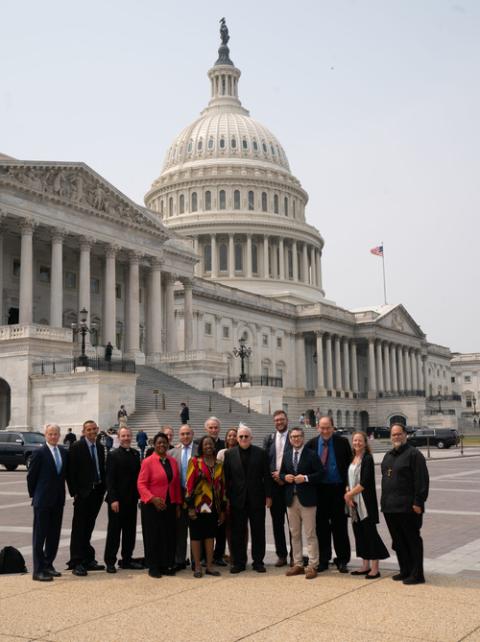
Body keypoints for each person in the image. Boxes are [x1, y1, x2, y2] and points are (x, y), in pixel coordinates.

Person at [381, 423, 429, 585]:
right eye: (393, 434)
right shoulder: (388, 456)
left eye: (399, 434)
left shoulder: (414, 455)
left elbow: (421, 480)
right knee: (399, 541)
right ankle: (405, 570)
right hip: (390, 508)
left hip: (409, 507)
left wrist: (418, 502)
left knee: (412, 541)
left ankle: (417, 574)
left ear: (405, 435)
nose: (396, 437)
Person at [223, 424, 272, 573]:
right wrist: (227, 498)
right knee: (238, 532)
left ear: (251, 438)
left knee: (258, 531)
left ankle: (258, 561)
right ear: (237, 438)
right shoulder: (229, 454)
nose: (243, 438)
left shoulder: (261, 453)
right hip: (237, 500)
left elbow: (267, 477)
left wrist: (269, 496)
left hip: (257, 499)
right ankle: (239, 562)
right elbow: (226, 478)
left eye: (246, 436)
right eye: (241, 436)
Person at [307, 415, 352, 573]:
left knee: (340, 526)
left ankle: (342, 559)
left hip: (338, 490)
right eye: (322, 427)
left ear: (333, 428)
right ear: (318, 428)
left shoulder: (342, 442)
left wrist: (348, 488)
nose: (325, 430)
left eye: (328, 427)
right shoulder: (312, 444)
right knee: (321, 527)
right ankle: (324, 559)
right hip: (319, 491)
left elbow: (349, 466)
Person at [344, 431, 389, 579]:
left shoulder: (368, 459)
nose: (357, 443)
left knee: (370, 534)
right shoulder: (352, 458)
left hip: (365, 503)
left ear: (365, 443)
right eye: (355, 440)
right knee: (359, 534)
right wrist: (348, 494)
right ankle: (365, 565)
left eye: (360, 441)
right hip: (353, 503)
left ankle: (375, 568)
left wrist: (349, 494)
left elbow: (365, 482)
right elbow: (348, 480)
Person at [280, 426, 323, 580]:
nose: (296, 439)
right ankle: (297, 563)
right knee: (294, 533)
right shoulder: (286, 455)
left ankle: (312, 565)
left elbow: (320, 474)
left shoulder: (311, 455)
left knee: (310, 533)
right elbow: (282, 473)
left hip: (308, 499)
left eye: (298, 436)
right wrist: (285, 477)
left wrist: (305, 478)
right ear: (290, 439)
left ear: (303, 437)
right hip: (291, 499)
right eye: (293, 437)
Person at [137, 432, 182, 578]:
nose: (162, 445)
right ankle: (153, 566)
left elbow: (175, 484)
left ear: (168, 444)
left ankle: (165, 564)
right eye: (159, 443)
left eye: (164, 442)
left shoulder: (172, 461)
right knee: (153, 536)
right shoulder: (148, 461)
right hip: (152, 505)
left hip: (169, 503)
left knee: (168, 535)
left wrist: (177, 504)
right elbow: (141, 484)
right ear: (154, 445)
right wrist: (152, 499)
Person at [27, 423, 67, 582]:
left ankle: (48, 564)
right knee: (40, 536)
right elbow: (31, 477)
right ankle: (38, 570)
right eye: (50, 434)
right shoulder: (39, 453)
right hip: (42, 501)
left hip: (58, 500)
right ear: (45, 435)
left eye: (56, 434)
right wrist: (35, 495)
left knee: (54, 535)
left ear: (59, 435)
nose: (53, 436)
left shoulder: (63, 452)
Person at [66, 420, 106, 576]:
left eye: (94, 429)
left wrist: (103, 490)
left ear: (97, 430)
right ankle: (76, 561)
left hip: (96, 494)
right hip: (83, 494)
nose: (91, 432)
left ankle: (87, 559)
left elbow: (101, 469)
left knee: (89, 527)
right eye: (88, 430)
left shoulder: (100, 447)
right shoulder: (77, 447)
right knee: (79, 528)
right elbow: (70, 472)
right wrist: (75, 493)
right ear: (84, 431)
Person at [185, 435, 226, 578]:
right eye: (205, 444)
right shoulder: (195, 462)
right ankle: (197, 566)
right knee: (196, 536)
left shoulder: (219, 464)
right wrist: (190, 508)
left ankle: (209, 565)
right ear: (201, 447)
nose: (208, 446)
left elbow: (222, 488)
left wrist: (222, 510)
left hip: (213, 506)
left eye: (210, 444)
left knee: (210, 536)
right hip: (197, 506)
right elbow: (189, 486)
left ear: (214, 447)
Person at [104, 427, 143, 573]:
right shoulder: (113, 455)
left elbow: (138, 479)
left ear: (131, 437)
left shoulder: (135, 454)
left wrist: (140, 498)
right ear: (119, 438)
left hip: (131, 500)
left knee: (129, 532)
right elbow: (110, 479)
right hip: (117, 501)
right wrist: (113, 499)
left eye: (128, 436)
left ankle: (127, 559)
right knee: (114, 532)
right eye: (123, 436)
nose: (126, 438)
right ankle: (110, 561)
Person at [263, 409, 292, 567]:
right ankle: (282, 555)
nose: (279, 422)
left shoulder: (293, 437)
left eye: (282, 419)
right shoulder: (269, 439)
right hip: (274, 487)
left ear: (286, 420)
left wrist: (284, 478)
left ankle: (295, 555)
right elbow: (265, 462)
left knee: (293, 523)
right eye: (277, 420)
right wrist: (274, 476)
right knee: (277, 523)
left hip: (289, 485)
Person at [168, 424, 198, 570]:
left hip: (197, 497)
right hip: (179, 497)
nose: (185, 436)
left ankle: (195, 560)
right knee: (180, 530)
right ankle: (179, 560)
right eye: (183, 434)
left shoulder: (200, 450)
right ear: (179, 436)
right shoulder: (172, 453)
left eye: (188, 433)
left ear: (192, 434)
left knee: (196, 530)